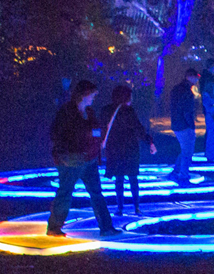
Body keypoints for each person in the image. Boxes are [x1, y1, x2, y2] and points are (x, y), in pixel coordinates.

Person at [46, 80, 117, 238]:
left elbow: (95, 131)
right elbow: (56, 134)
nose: (94, 97)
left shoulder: (90, 112)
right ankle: (54, 227)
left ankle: (106, 227)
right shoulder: (66, 112)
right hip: (72, 160)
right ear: (84, 94)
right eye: (92, 94)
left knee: (96, 192)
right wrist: (65, 153)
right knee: (65, 192)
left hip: (89, 159)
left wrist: (98, 139)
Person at [100, 84, 156, 216]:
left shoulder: (106, 110)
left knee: (119, 179)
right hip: (130, 149)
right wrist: (150, 142)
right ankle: (136, 207)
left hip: (114, 149)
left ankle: (120, 208)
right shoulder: (128, 111)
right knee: (133, 179)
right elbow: (138, 129)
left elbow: (101, 127)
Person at [168, 69, 199, 184]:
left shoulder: (177, 89)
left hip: (176, 123)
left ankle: (177, 171)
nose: (197, 80)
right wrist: (191, 125)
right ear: (190, 77)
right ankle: (183, 175)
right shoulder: (187, 92)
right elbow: (187, 111)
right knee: (188, 151)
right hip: (184, 125)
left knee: (184, 149)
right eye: (196, 77)